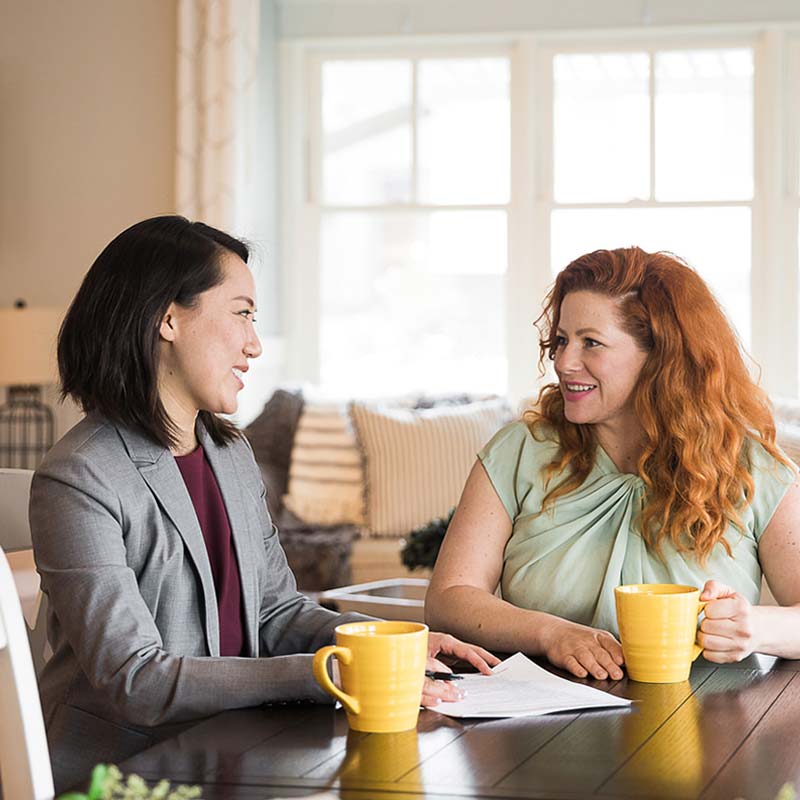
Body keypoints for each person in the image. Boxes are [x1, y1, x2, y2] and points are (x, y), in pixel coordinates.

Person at [31, 216, 499, 791]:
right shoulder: (80, 476)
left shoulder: (228, 453)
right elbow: (136, 679)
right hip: (128, 772)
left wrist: (385, 646)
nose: (254, 343)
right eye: (242, 313)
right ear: (168, 317)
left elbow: (276, 613)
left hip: (239, 745)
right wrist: (331, 672)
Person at [426, 246, 800, 683]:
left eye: (592, 343)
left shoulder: (751, 469)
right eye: (561, 340)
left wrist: (754, 628)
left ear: (660, 356)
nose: (564, 363)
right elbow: (449, 598)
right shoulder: (518, 452)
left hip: (710, 727)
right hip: (540, 723)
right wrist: (550, 633)